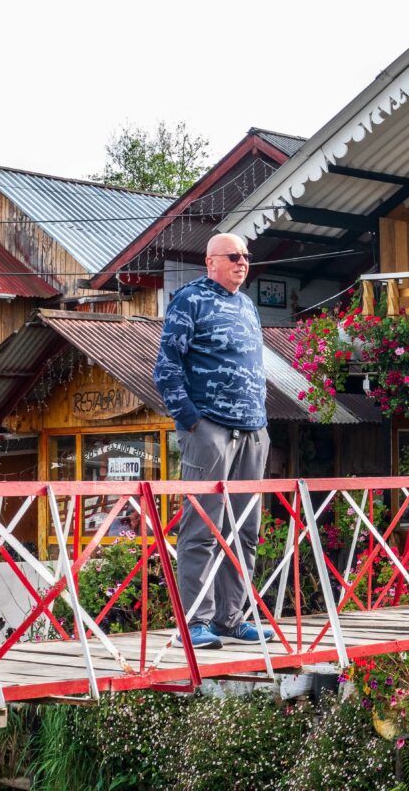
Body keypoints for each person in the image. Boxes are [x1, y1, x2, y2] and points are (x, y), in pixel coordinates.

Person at [154, 233, 273, 649]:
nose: (243, 262)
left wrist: (260, 420)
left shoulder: (248, 305)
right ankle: (195, 623)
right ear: (210, 262)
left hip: (253, 429)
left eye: (246, 256)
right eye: (234, 256)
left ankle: (230, 618)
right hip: (209, 429)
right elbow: (166, 367)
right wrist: (191, 422)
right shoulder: (190, 300)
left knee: (245, 529)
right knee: (203, 527)